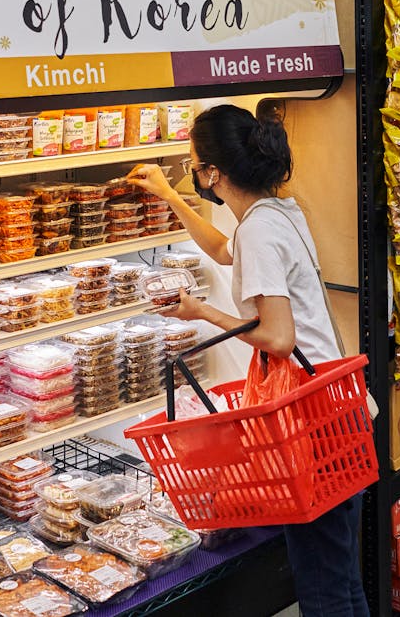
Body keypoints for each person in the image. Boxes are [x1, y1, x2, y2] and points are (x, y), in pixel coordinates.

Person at [127, 102, 370, 617]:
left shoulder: (260, 229)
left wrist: (200, 312)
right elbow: (222, 249)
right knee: (342, 578)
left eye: (194, 165)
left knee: (324, 592)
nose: (194, 173)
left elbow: (278, 338)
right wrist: (170, 194)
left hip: (312, 425)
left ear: (213, 173)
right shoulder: (277, 212)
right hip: (339, 408)